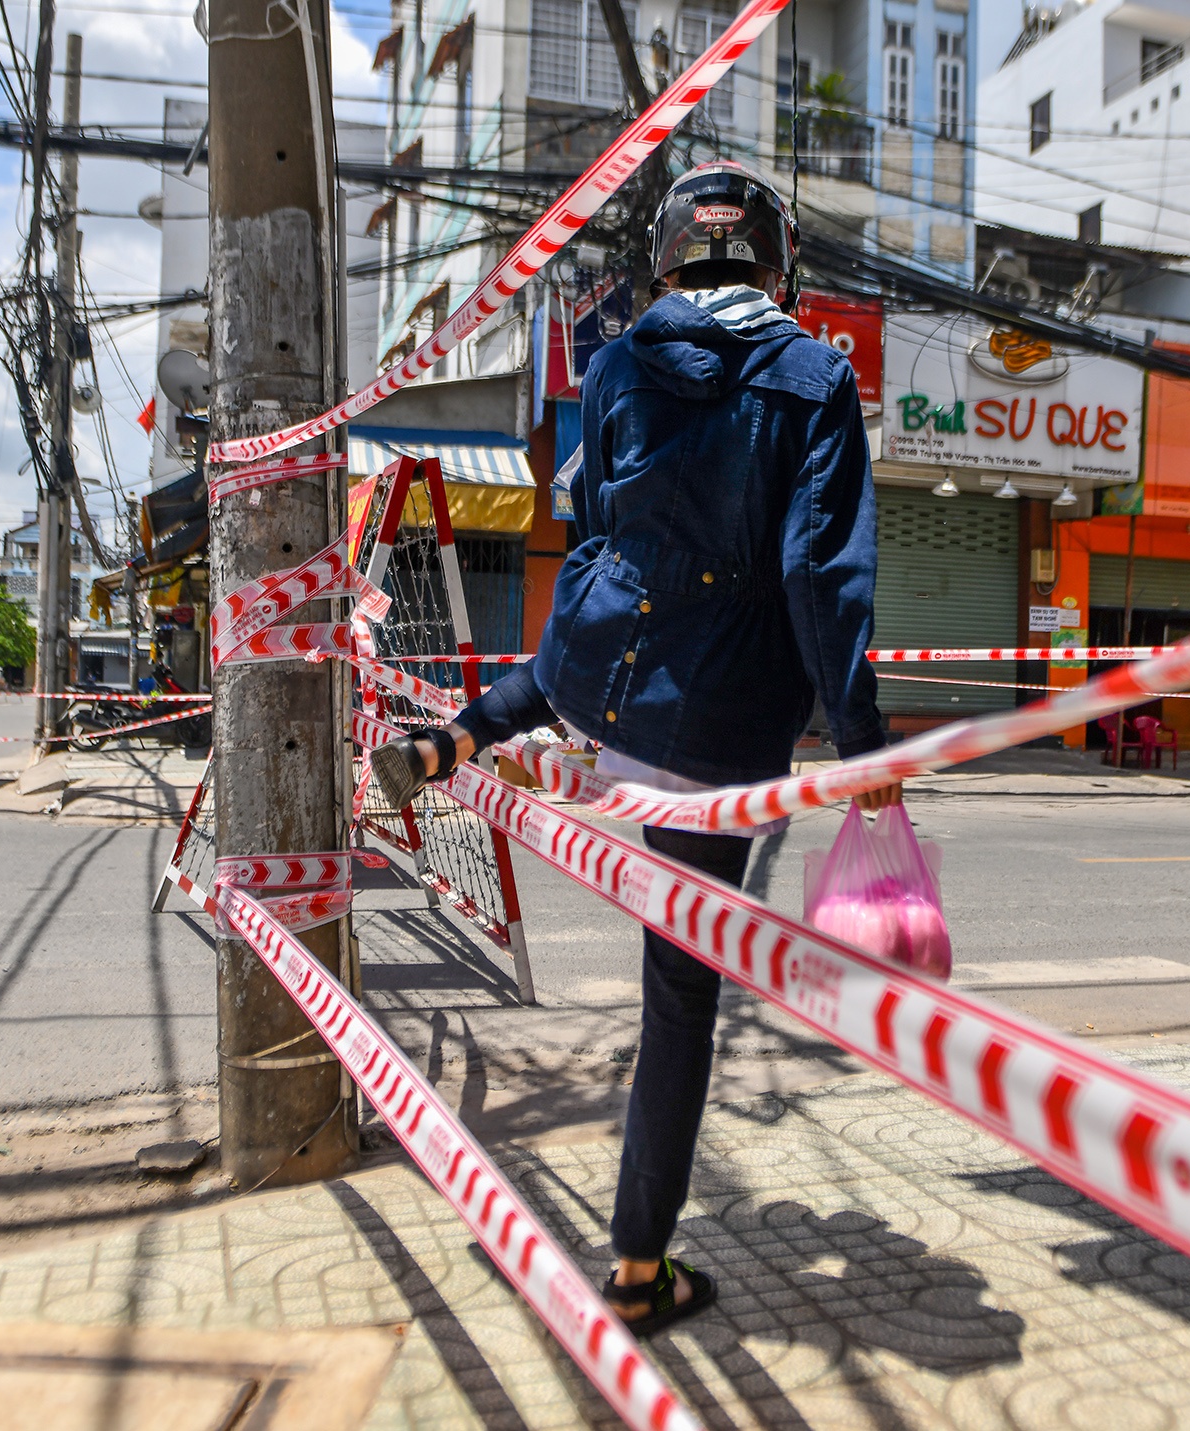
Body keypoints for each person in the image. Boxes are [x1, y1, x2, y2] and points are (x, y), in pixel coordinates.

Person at [370, 161, 898, 1337]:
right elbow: (823, 581)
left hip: (596, 673)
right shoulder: (814, 380)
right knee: (677, 995)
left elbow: (594, 522)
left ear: (666, 261)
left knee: (556, 674)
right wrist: (858, 742)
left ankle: (456, 739)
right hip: (713, 734)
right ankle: (638, 1269)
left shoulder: (611, 362)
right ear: (777, 265)